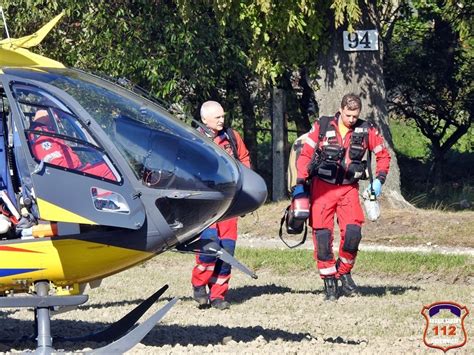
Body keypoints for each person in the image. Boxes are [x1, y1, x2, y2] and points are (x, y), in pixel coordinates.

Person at [295, 93, 391, 301]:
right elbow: (305, 155)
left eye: (355, 116)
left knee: (353, 233)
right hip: (322, 188)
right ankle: (329, 281)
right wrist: (300, 183)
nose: (351, 120)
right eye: (348, 115)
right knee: (322, 236)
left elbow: (383, 155)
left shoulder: (367, 130)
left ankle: (344, 272)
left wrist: (379, 181)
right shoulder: (322, 126)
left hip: (349, 189)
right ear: (340, 110)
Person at [191, 100, 251, 310]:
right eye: (217, 118)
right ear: (205, 119)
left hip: (229, 202)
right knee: (209, 245)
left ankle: (218, 295)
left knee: (227, 249)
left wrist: (246, 187)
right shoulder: (193, 138)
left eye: (223, 117)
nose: (222, 120)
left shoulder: (232, 137)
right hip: (205, 202)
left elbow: (243, 159)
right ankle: (199, 285)